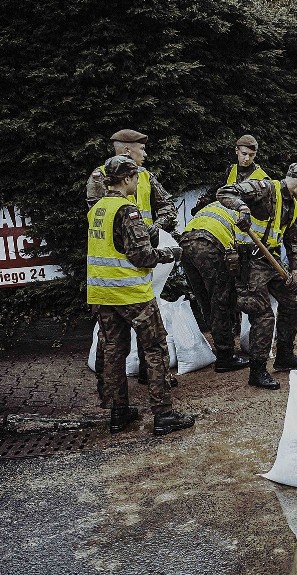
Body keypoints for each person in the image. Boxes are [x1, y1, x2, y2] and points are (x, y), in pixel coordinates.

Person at [87, 155, 194, 436]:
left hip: (102, 294)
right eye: (135, 177)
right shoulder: (127, 210)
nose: (138, 181)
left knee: (113, 350)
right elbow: (141, 256)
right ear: (126, 179)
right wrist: (170, 253)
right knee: (155, 348)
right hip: (131, 293)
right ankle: (163, 415)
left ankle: (118, 413)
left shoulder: (97, 208)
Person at [86, 129, 178, 394]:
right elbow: (102, 225)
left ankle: (118, 405)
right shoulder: (99, 178)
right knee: (152, 339)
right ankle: (161, 406)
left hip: (118, 275)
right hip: (130, 270)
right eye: (141, 148)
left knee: (116, 343)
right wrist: (161, 250)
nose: (146, 153)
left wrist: (155, 229)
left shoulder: (146, 176)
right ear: (127, 151)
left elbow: (167, 206)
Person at [217, 163, 297, 389]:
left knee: (291, 304)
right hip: (247, 261)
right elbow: (225, 192)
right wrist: (242, 209)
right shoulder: (263, 189)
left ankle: (284, 356)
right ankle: (258, 370)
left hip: (269, 260)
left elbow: (294, 243)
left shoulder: (293, 208)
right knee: (263, 314)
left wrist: (296, 270)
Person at [180, 200, 252, 374]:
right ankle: (226, 357)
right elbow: (245, 251)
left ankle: (220, 345)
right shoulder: (246, 214)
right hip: (209, 245)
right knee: (221, 301)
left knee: (205, 299)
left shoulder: (215, 206)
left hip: (185, 243)